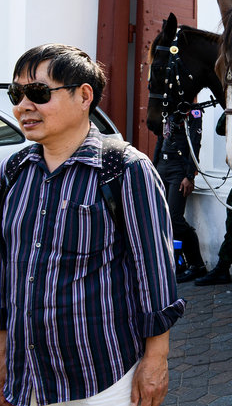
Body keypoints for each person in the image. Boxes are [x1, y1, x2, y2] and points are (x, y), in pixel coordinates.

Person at [0, 44, 184, 406]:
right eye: (15, 93)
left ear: (84, 96)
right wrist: (4, 344)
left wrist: (156, 358)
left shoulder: (123, 168)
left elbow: (154, 270)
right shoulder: (14, 170)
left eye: (37, 93)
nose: (22, 106)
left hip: (101, 377)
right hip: (29, 375)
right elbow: (6, 266)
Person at [152, 101, 206, 283]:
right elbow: (161, 136)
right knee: (161, 217)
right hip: (162, 165)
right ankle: (177, 262)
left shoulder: (193, 110)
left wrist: (189, 175)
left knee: (174, 218)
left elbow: (195, 142)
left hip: (178, 169)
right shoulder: (167, 105)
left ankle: (197, 264)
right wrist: (153, 167)